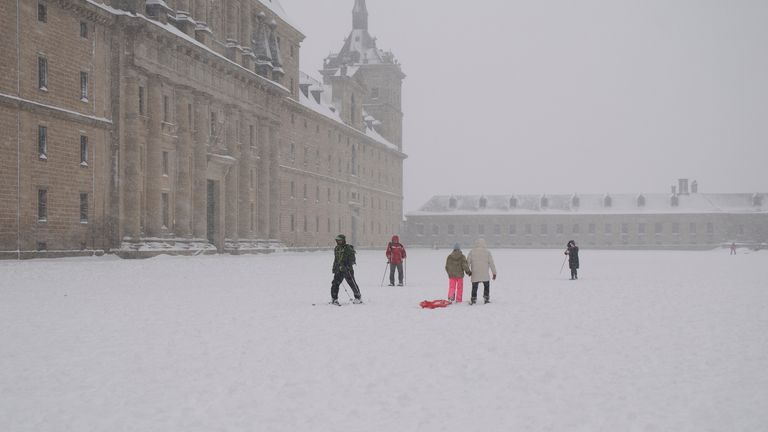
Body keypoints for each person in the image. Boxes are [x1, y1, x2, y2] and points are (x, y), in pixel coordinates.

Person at [330, 234, 362, 305]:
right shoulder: (337, 248)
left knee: (352, 283)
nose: (338, 242)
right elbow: (336, 259)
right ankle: (334, 298)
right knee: (335, 284)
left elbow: (353, 259)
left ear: (343, 240)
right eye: (337, 240)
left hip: (348, 270)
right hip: (339, 270)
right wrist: (334, 268)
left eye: (340, 240)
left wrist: (346, 265)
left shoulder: (348, 248)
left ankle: (358, 298)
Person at [467, 239, 497, 304]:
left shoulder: (472, 252)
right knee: (486, 285)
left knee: (474, 286)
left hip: (475, 273)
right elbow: (491, 263)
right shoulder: (487, 252)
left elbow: (467, 263)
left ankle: (473, 299)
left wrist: (468, 271)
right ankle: (486, 298)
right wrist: (494, 273)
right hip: (484, 273)